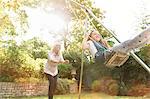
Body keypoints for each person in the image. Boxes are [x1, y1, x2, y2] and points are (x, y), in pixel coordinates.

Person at [82, 28, 150, 65]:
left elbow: (109, 50)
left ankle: (147, 39)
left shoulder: (102, 44)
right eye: (94, 34)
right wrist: (85, 37)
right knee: (127, 43)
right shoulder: (90, 42)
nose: (97, 35)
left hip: (106, 55)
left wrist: (106, 44)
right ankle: (148, 32)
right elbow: (84, 47)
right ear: (90, 37)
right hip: (101, 56)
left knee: (131, 46)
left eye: (98, 34)